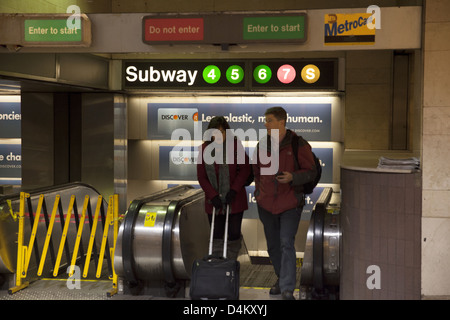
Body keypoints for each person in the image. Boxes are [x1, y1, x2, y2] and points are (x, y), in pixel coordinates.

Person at [253, 106, 317, 300]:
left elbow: (311, 171)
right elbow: (256, 171)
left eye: (269, 120)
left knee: (285, 242)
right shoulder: (262, 144)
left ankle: (288, 287)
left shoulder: (298, 144)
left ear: (282, 122)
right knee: (272, 245)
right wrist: (258, 193)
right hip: (266, 205)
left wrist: (293, 177)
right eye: (265, 120)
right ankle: (282, 279)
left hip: (289, 203)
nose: (265, 124)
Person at [197, 116, 251, 260]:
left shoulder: (235, 146)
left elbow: (245, 170)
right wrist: (213, 195)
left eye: (222, 132)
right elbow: (202, 176)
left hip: (235, 198)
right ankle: (217, 262)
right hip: (213, 201)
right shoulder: (203, 149)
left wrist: (233, 190)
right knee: (217, 234)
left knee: (234, 233)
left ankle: (231, 262)